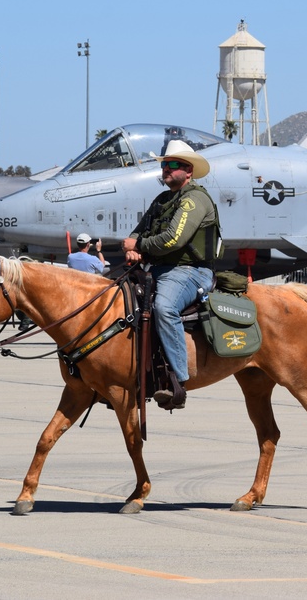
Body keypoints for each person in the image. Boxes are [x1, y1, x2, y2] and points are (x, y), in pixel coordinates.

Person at [121, 139, 221, 410]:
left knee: (164, 308)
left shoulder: (195, 199)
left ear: (188, 170)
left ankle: (176, 380)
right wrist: (133, 245)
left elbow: (173, 240)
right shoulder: (163, 199)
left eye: (172, 165)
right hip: (158, 270)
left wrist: (139, 246)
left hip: (190, 271)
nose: (165, 169)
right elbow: (139, 230)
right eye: (164, 164)